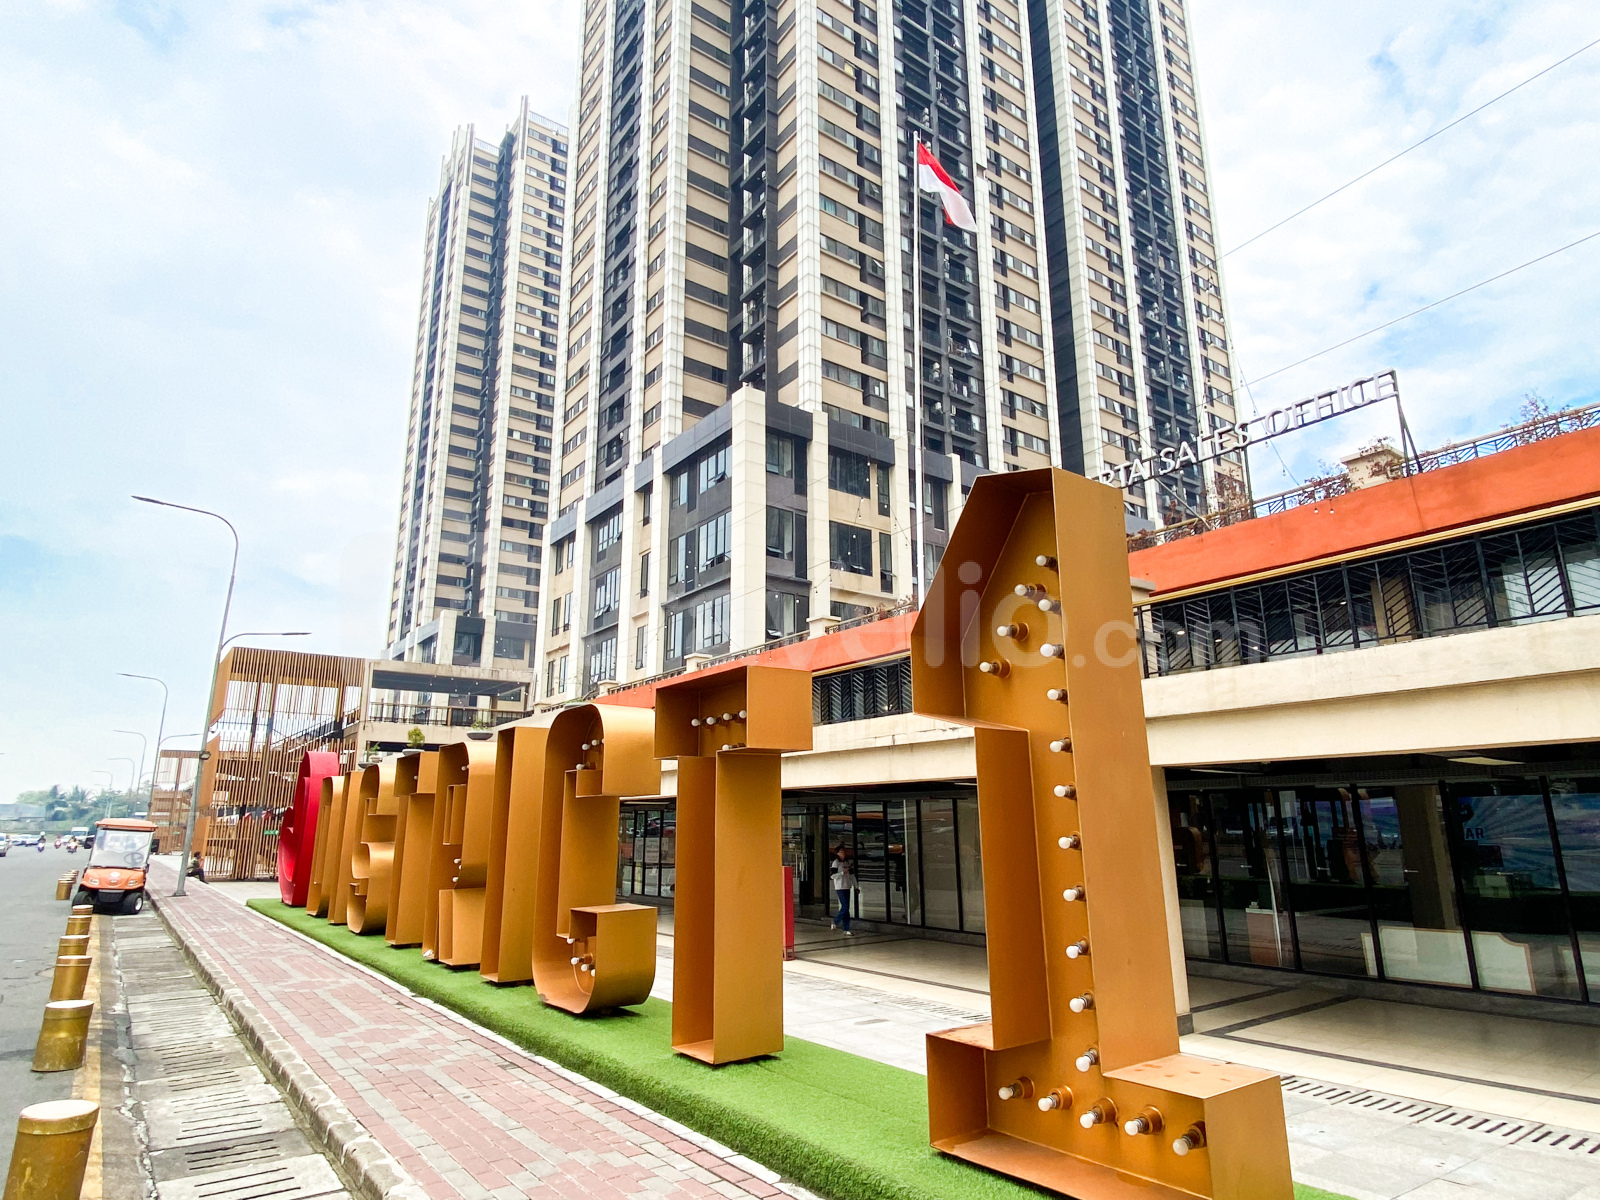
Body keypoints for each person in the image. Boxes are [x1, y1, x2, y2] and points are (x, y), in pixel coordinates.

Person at [829, 848, 855, 935]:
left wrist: (856, 886)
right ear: (837, 853)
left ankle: (846, 929)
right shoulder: (835, 863)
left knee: (846, 909)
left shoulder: (847, 862)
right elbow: (832, 876)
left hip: (847, 886)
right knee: (845, 906)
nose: (843, 853)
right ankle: (836, 921)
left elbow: (852, 875)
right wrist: (841, 873)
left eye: (843, 852)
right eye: (841, 852)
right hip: (839, 887)